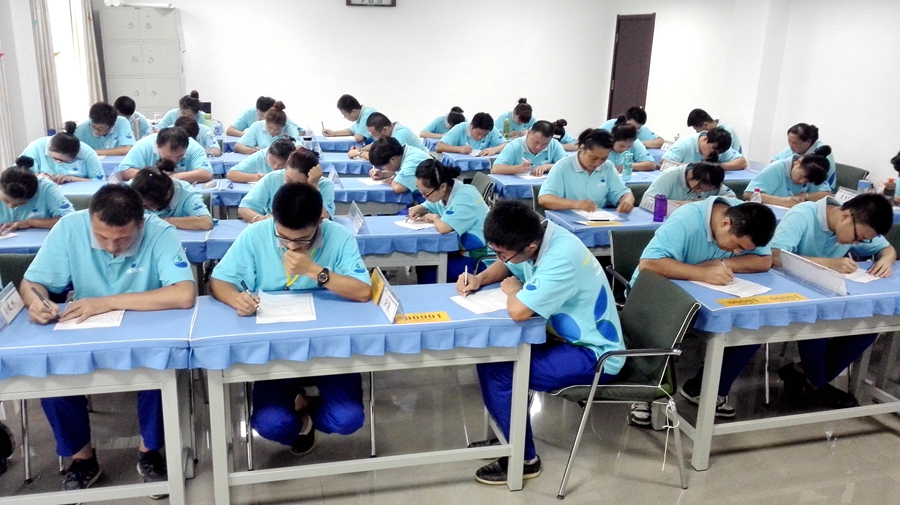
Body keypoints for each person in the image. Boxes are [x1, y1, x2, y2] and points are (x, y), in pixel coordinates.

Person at [20, 184, 196, 496]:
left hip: (143, 328)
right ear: (90, 220)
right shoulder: (69, 228)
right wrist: (37, 301)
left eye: (123, 238)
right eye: (101, 238)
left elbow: (184, 294)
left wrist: (107, 302)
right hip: (84, 328)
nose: (111, 246)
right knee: (51, 376)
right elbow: (33, 283)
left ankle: (149, 453)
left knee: (162, 366)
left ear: (141, 223)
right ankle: (82, 459)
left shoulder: (159, 232)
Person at [458, 200, 625, 485]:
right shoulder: (535, 235)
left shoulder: (560, 258)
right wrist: (479, 278)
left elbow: (519, 311)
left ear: (530, 247)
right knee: (492, 355)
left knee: (501, 368)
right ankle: (508, 437)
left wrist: (513, 291)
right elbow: (508, 264)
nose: (499, 258)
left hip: (593, 354)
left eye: (502, 253)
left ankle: (524, 460)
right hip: (561, 338)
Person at [209, 183, 370, 457]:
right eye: (283, 237)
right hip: (274, 349)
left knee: (348, 419)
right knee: (270, 424)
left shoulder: (339, 237)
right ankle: (302, 420)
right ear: (274, 219)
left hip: (329, 346)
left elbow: (363, 291)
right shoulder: (256, 234)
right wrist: (237, 299)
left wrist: (316, 271)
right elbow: (219, 281)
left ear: (319, 221)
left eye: (302, 239)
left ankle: (307, 404)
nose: (292, 246)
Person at [634, 197, 776, 419]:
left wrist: (722, 263)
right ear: (725, 223)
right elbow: (649, 264)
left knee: (751, 327)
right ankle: (643, 392)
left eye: (744, 250)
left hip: (709, 296)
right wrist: (701, 273)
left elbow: (764, 261)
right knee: (659, 324)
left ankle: (702, 389)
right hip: (658, 292)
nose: (738, 252)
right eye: (737, 246)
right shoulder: (687, 219)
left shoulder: (750, 220)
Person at [771, 194, 896, 409]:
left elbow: (887, 249)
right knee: (817, 330)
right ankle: (816, 384)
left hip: (830, 296)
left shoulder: (856, 225)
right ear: (846, 216)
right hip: (794, 296)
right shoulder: (803, 215)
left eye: (862, 241)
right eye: (857, 238)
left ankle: (804, 374)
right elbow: (774, 256)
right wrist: (828, 263)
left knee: (869, 327)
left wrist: (886, 259)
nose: (856, 244)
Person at [408, 159, 489, 283]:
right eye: (420, 192)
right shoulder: (445, 193)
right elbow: (431, 204)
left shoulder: (465, 196)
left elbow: (444, 228)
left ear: (443, 187)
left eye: (425, 193)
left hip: (479, 259)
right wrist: (421, 207)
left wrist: (434, 217)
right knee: (423, 259)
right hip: (459, 252)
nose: (423, 197)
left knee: (428, 268)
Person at [537, 128, 634, 214]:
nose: (598, 163)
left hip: (597, 220)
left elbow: (623, 192)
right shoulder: (562, 167)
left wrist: (627, 201)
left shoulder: (607, 167)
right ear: (582, 148)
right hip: (566, 221)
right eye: (594, 158)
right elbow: (545, 199)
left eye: (603, 158)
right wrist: (576, 204)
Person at [238, 148, 335, 223]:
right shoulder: (272, 179)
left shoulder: (324, 185)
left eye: (298, 184)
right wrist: (260, 219)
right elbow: (244, 208)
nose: (291, 186)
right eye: (288, 179)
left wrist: (314, 187)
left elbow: (324, 221)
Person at [131, 160, 214, 230]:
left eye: (149, 206)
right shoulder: (132, 188)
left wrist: (160, 221)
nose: (144, 209)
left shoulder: (187, 193)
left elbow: (206, 222)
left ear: (167, 195)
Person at [0, 157, 74, 234]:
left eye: (21, 203)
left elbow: (70, 220)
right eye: (6, 200)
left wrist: (31, 222)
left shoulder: (46, 188)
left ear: (35, 193)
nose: (11, 206)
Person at [116, 127, 213, 183]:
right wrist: (155, 177)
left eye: (179, 156)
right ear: (157, 145)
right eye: (168, 157)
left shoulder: (194, 147)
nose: (174, 161)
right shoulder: (144, 145)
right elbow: (124, 171)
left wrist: (174, 177)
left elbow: (207, 173)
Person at [744, 146, 832, 207]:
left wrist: (806, 195)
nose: (802, 181)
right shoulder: (776, 168)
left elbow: (827, 194)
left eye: (807, 181)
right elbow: (748, 194)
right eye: (802, 176)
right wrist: (782, 201)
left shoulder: (814, 173)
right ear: (799, 162)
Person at [20, 123, 104, 183]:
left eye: (66, 161)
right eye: (55, 158)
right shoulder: (36, 147)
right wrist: (39, 178)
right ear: (49, 147)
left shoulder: (87, 153)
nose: (58, 162)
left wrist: (71, 179)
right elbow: (17, 174)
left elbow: (99, 182)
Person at [771, 123, 836, 189]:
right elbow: (774, 161)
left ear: (808, 142)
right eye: (789, 141)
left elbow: (819, 185)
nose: (790, 145)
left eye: (794, 142)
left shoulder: (822, 155)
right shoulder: (794, 147)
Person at [491, 120, 567, 176]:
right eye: (536, 142)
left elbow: (566, 166)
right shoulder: (514, 146)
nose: (539, 147)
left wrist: (547, 167)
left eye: (545, 144)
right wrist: (518, 168)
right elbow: (495, 169)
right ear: (529, 133)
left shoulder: (554, 145)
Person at [642, 161, 734, 207]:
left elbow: (732, 199)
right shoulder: (670, 175)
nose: (699, 192)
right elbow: (647, 201)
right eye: (699, 188)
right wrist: (685, 204)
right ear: (692, 176)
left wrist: (707, 201)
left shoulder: (712, 179)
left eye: (706, 191)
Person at [658, 128, 747, 171]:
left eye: (719, 153)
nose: (716, 154)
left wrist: (716, 166)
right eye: (713, 149)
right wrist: (694, 167)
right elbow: (663, 162)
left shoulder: (719, 146)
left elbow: (742, 162)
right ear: (705, 139)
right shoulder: (684, 143)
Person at [348, 112, 425, 159]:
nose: (373, 137)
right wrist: (361, 149)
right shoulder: (391, 130)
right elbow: (374, 145)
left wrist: (358, 153)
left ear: (384, 130)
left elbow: (382, 158)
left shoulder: (399, 137)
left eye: (373, 134)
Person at [234, 102, 299, 155]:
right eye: (270, 127)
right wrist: (251, 150)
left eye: (277, 129)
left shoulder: (290, 129)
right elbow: (238, 146)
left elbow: (299, 147)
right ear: (265, 122)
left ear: (283, 126)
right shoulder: (257, 126)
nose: (273, 131)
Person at [435, 112, 507, 155]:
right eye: (478, 133)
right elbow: (439, 147)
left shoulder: (491, 129)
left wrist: (494, 150)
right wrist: (459, 149)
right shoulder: (459, 129)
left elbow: (505, 145)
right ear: (471, 126)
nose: (480, 137)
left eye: (485, 135)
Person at [227, 138, 295, 183]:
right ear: (269, 153)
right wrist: (256, 177)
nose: (276, 167)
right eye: (273, 161)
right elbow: (231, 174)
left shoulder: (294, 160)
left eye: (282, 165)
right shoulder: (259, 157)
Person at [226, 96, 298, 138]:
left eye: (266, 117)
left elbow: (300, 132)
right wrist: (251, 135)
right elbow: (230, 130)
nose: (263, 119)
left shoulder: (278, 117)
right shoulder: (249, 113)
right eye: (260, 115)